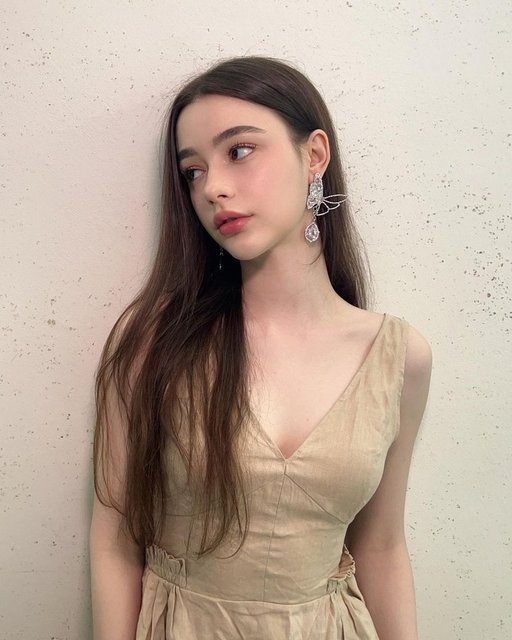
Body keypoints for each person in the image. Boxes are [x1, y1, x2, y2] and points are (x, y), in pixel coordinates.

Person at [89, 56, 432, 640]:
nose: (213, 188)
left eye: (240, 150)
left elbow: (380, 547)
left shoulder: (398, 358)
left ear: (314, 155)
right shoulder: (153, 340)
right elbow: (115, 538)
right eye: (192, 171)